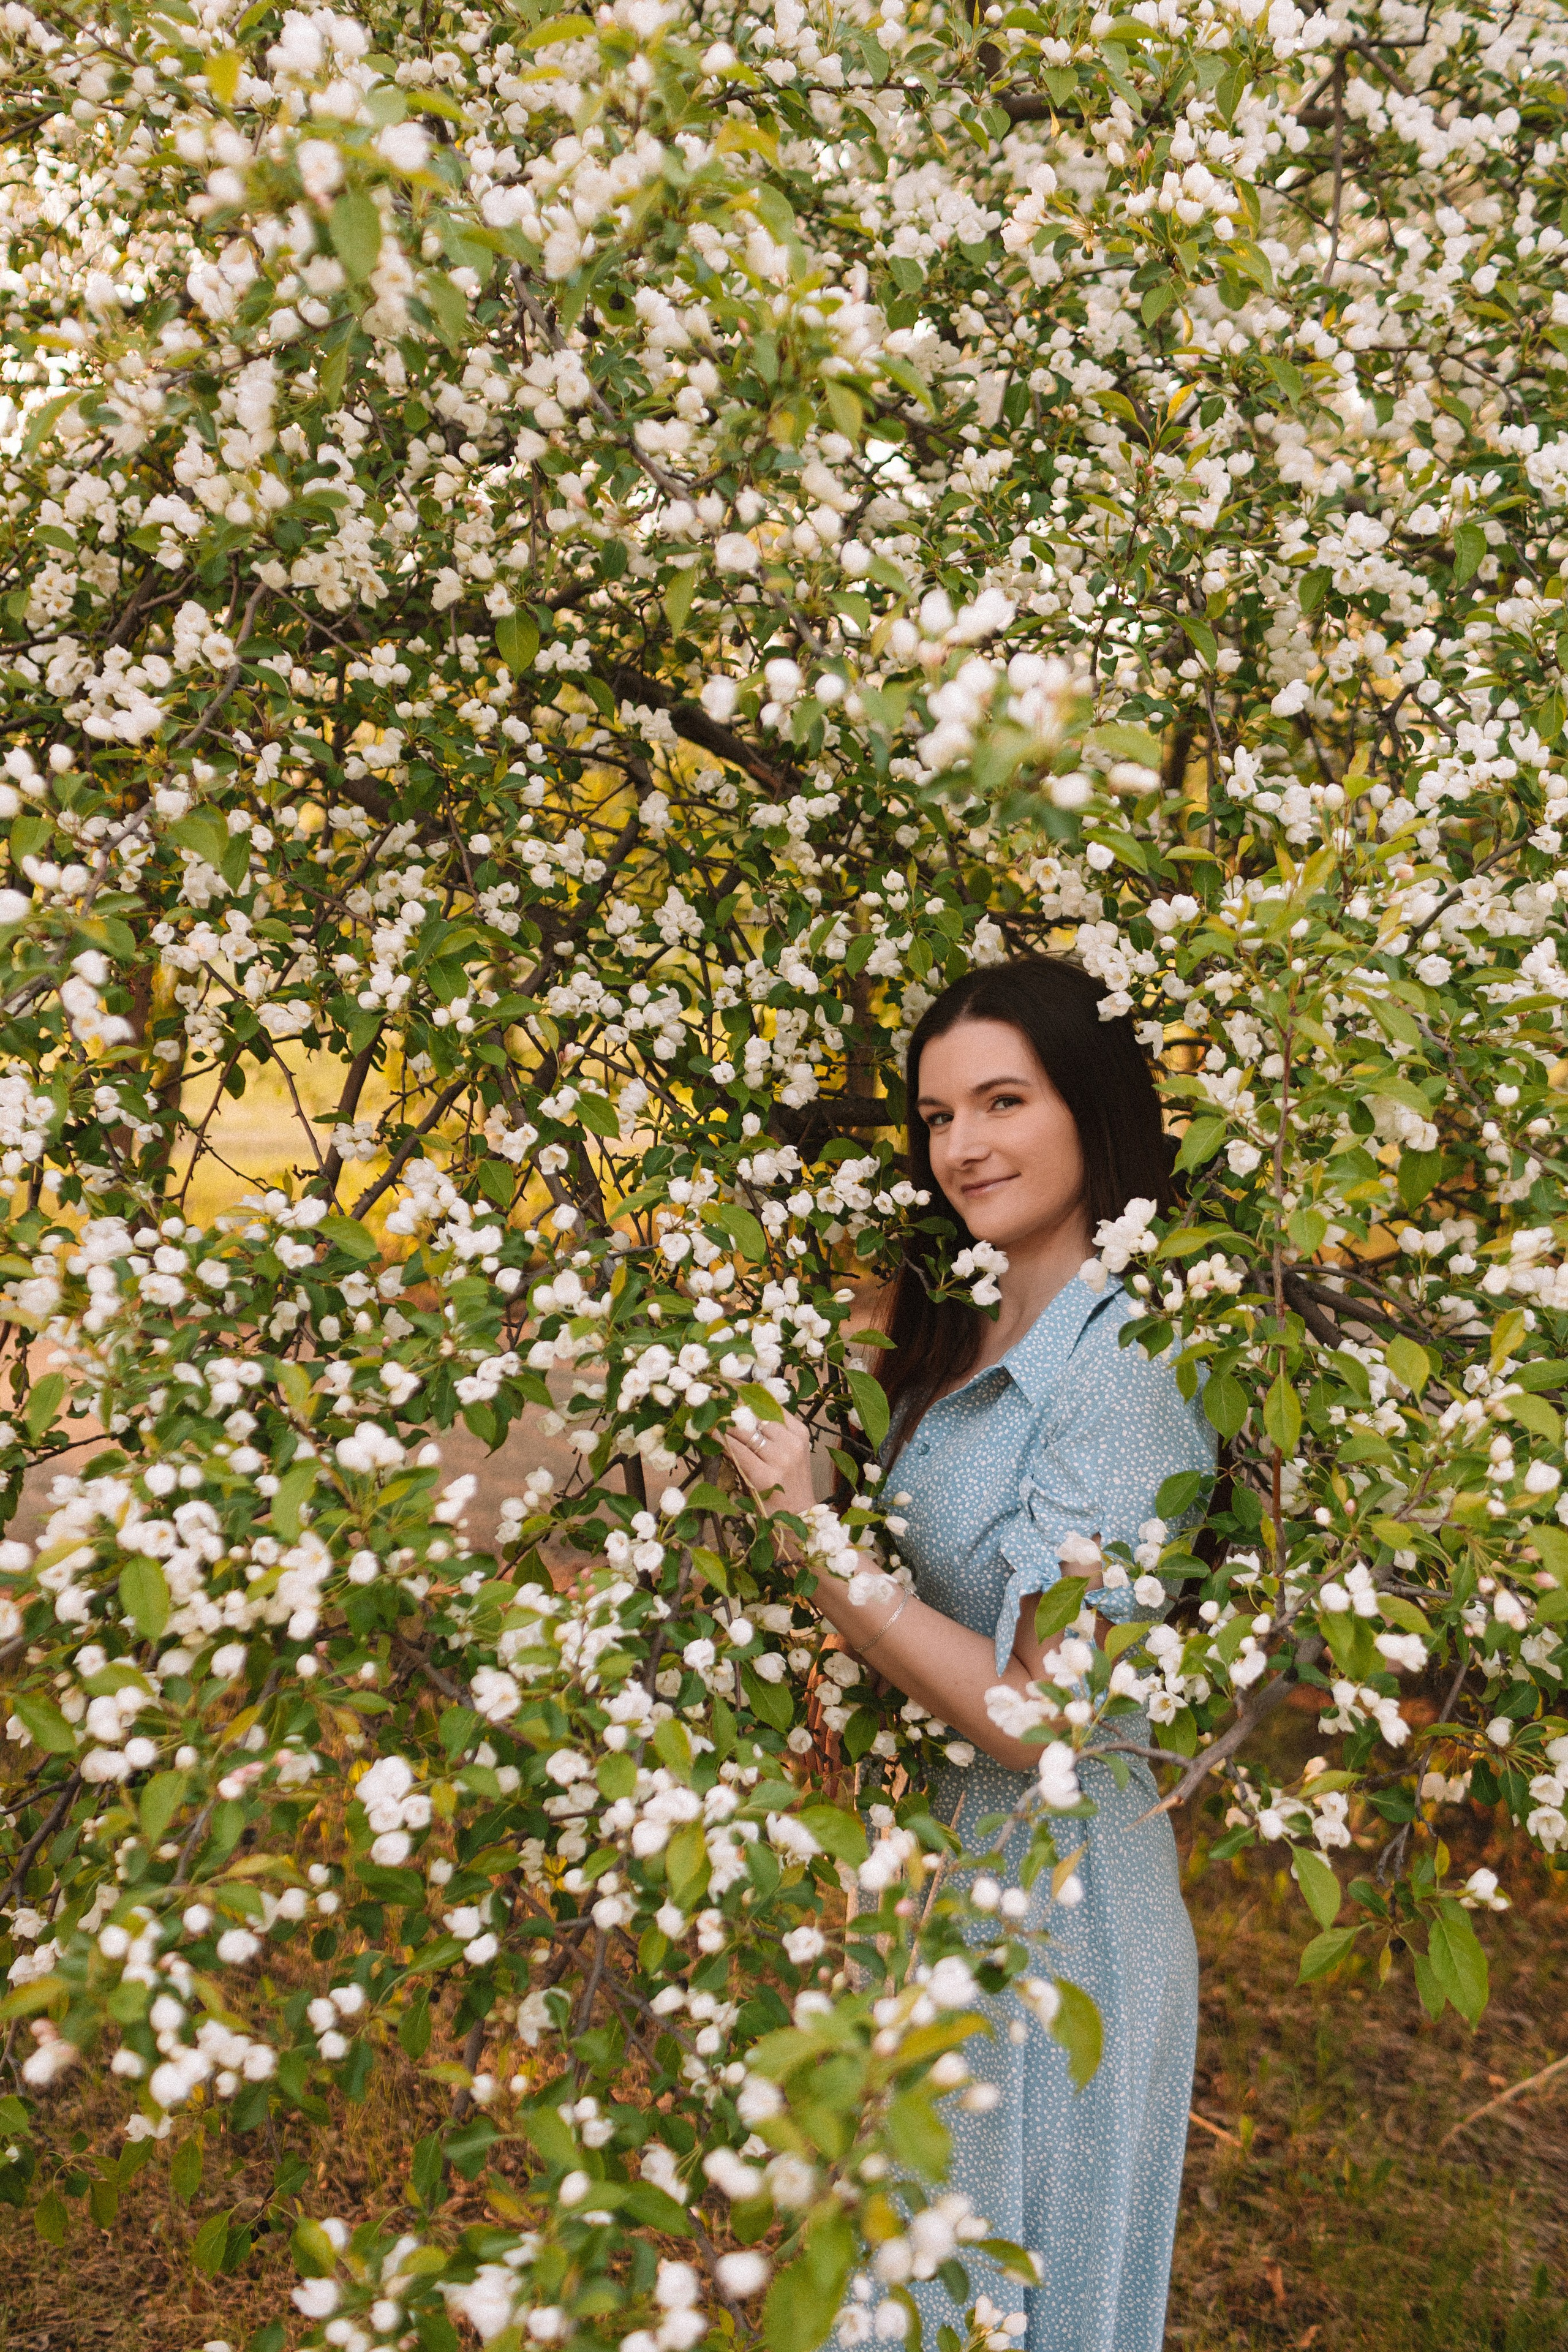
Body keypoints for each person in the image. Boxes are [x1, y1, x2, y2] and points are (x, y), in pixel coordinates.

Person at [724, 957, 1214, 2352]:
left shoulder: (1123, 1371)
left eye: (1003, 1101)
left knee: (967, 2321)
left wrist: (818, 1545)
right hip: (934, 1895)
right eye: (937, 1117)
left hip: (1058, 1924)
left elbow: (1035, 1719)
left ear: (1095, 1112)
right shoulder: (957, 1320)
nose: (963, 1147)